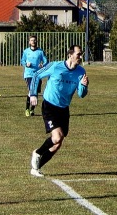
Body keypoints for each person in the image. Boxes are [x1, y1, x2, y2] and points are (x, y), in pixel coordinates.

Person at [29, 45, 89, 177]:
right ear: (70, 54)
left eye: (81, 54)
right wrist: (33, 94)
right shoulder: (55, 66)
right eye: (78, 54)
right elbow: (36, 75)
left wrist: (84, 86)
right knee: (57, 137)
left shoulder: (81, 72)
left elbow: (81, 94)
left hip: (64, 109)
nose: (80, 57)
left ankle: (36, 168)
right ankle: (37, 153)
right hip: (50, 106)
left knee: (57, 144)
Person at [21, 35, 49, 116]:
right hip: (28, 74)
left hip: (37, 74)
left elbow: (46, 61)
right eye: (32, 40)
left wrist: (42, 64)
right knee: (31, 91)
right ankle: (27, 109)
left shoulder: (40, 51)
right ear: (29, 42)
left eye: (35, 40)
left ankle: (32, 110)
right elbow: (22, 60)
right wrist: (26, 64)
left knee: (35, 92)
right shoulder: (26, 51)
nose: (33, 41)